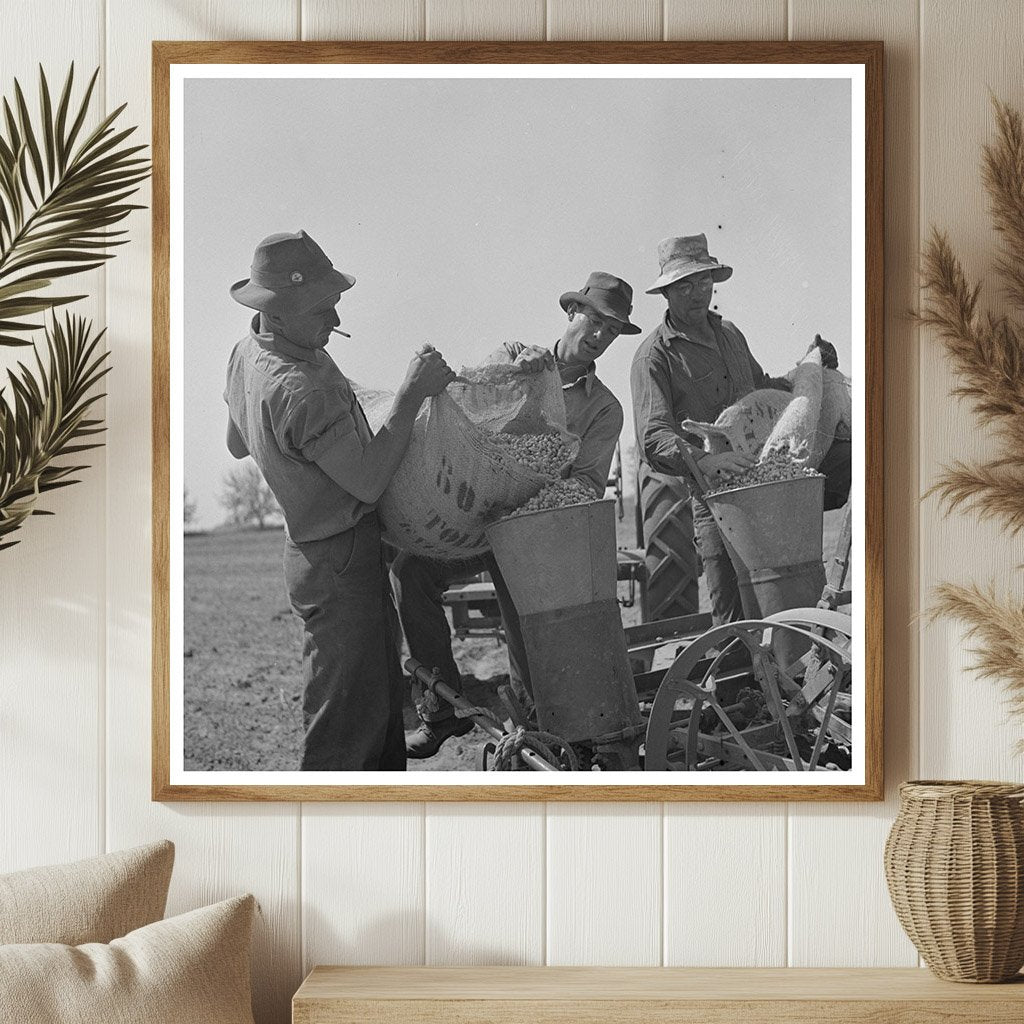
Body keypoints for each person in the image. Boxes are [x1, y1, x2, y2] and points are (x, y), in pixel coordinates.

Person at [224, 230, 456, 771]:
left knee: (375, 706)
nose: (333, 319)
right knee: (346, 722)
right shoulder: (302, 388)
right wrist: (410, 394)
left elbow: (237, 442)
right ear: (276, 313)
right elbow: (370, 482)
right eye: (320, 309)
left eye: (335, 303)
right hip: (340, 559)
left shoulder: (247, 351)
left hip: (309, 553)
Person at [392, 271, 641, 759]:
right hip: (474, 521)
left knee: (531, 643)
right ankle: (442, 712)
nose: (599, 337)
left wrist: (538, 491)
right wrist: (514, 376)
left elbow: (588, 483)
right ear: (571, 313)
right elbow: (470, 406)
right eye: (594, 322)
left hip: (532, 536)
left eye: (611, 332)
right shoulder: (513, 356)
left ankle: (539, 739)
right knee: (409, 572)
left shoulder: (604, 409)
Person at [631, 233, 851, 626]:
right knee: (734, 620)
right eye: (684, 285)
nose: (697, 293)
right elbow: (653, 437)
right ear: (666, 292)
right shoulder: (655, 356)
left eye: (703, 281)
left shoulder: (730, 334)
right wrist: (711, 459)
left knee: (790, 601)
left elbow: (763, 391)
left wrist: (810, 367)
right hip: (717, 501)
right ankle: (736, 685)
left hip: (767, 487)